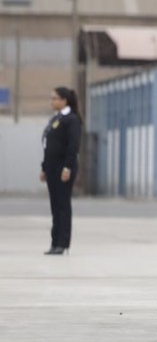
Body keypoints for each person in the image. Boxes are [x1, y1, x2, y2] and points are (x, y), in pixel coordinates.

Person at [40, 86, 82, 255]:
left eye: (54, 98)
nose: (52, 101)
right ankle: (55, 242)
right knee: (55, 205)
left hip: (63, 167)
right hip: (51, 167)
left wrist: (67, 167)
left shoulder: (71, 119)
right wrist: (44, 167)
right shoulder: (55, 118)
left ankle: (63, 243)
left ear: (64, 100)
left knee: (63, 205)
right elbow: (47, 146)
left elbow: (73, 146)